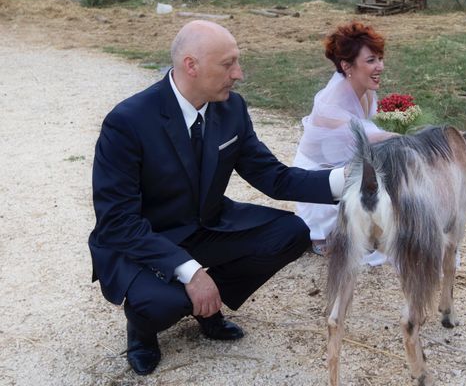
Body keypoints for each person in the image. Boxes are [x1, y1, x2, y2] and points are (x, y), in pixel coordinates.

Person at [89, 20, 345, 376]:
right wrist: (191, 272)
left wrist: (347, 183)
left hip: (205, 224)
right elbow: (117, 221)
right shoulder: (127, 122)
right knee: (160, 305)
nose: (238, 74)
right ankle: (143, 330)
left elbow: (274, 177)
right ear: (191, 65)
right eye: (228, 64)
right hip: (145, 240)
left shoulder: (231, 109)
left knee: (291, 233)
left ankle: (205, 306)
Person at [293, 21, 392, 263]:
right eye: (371, 61)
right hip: (319, 179)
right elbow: (369, 136)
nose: (379, 66)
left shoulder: (365, 87)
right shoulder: (332, 101)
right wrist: (409, 138)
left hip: (344, 165)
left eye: (380, 58)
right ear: (347, 66)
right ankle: (320, 232)